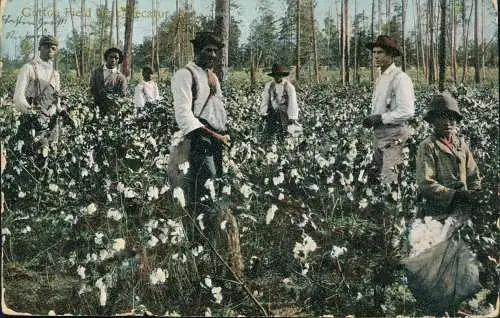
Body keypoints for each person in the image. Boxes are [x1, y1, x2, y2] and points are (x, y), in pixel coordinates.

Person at [171, 31, 229, 207]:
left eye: (215, 51)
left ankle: (211, 223)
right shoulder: (184, 75)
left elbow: (217, 107)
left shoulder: (212, 77)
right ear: (197, 51)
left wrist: (223, 132)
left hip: (215, 136)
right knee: (206, 180)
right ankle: (197, 224)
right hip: (197, 137)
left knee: (216, 181)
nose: (213, 55)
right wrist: (212, 135)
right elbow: (184, 115)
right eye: (208, 50)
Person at [416, 92, 482, 219]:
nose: (447, 123)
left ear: (456, 121)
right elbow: (426, 183)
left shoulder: (461, 145)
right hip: (437, 214)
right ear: (433, 121)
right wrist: (454, 195)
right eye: (441, 118)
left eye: (451, 118)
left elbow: (473, 175)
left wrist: (474, 194)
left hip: (463, 211)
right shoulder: (428, 146)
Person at [363, 35, 415, 186]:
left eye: (380, 52)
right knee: (379, 177)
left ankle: (393, 208)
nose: (376, 56)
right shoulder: (381, 77)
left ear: (391, 55)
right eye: (374, 52)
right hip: (379, 135)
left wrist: (380, 118)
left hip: (394, 135)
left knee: (389, 181)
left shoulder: (400, 78)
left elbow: (407, 110)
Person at [13, 35, 67, 154]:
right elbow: (18, 97)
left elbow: (55, 100)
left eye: (53, 48)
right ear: (39, 48)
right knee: (30, 156)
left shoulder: (55, 74)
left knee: (49, 158)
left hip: (49, 123)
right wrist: (31, 112)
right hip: (31, 121)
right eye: (46, 47)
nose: (49, 51)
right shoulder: (28, 68)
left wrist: (59, 109)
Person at [259, 63, 298, 140]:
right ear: (273, 75)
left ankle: (283, 137)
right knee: (267, 133)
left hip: (285, 113)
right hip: (272, 112)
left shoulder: (289, 87)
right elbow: (265, 100)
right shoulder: (269, 85)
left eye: (279, 75)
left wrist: (292, 118)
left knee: (284, 132)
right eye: (276, 75)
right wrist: (263, 113)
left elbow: (292, 104)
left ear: (282, 75)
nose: (278, 77)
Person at [90, 47, 128, 115]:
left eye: (116, 58)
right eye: (111, 57)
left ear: (119, 61)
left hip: (112, 111)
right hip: (95, 109)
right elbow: (92, 89)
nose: (113, 60)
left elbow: (122, 95)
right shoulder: (96, 72)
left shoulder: (121, 78)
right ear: (107, 57)